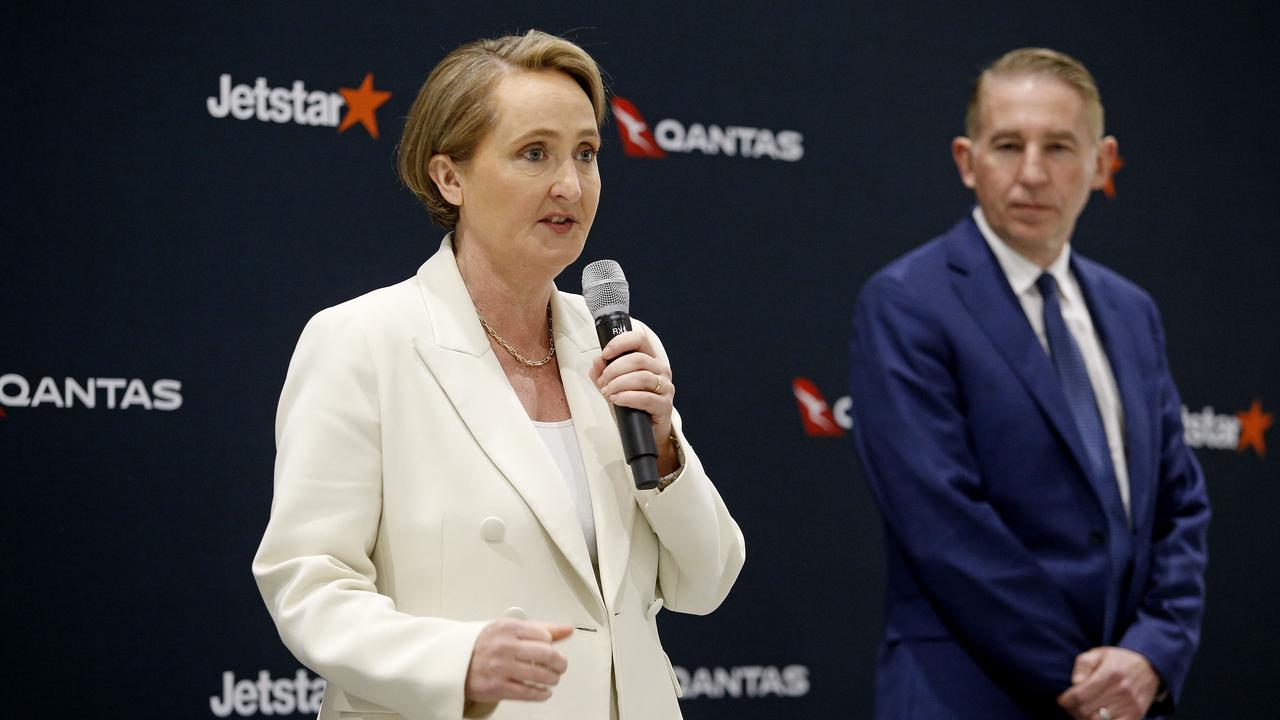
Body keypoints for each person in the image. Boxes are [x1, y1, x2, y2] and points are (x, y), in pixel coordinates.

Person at [253, 30, 744, 720]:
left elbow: (706, 582)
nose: (570, 185)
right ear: (449, 177)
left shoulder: (618, 344)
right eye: (534, 153)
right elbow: (309, 585)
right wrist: (456, 665)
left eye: (586, 153)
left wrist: (664, 453)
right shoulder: (362, 342)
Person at [848, 48, 1209, 720]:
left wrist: (1154, 652)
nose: (1033, 174)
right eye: (1009, 145)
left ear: (1102, 163)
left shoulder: (1132, 311)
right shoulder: (906, 301)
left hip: (1128, 693)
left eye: (1060, 147)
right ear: (966, 159)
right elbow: (942, 523)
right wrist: (1086, 679)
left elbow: (1179, 504)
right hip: (968, 692)